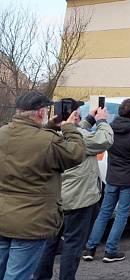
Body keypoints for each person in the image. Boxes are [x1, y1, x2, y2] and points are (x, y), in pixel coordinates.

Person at [0, 91, 85, 280]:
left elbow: (27, 140)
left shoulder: (3, 133)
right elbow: (76, 153)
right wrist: (69, 127)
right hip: (30, 223)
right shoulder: (48, 141)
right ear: (40, 112)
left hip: (3, 216)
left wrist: (48, 127)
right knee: (18, 275)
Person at [34, 106, 113, 280]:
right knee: (73, 244)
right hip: (78, 199)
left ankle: (40, 277)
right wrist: (101, 121)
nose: (78, 115)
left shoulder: (49, 136)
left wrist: (88, 121)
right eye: (75, 113)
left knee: (49, 243)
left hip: (55, 198)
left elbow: (75, 134)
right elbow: (103, 140)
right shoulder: (82, 138)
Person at [83, 99, 130, 264]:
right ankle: (110, 251)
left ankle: (90, 248)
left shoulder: (109, 129)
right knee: (121, 214)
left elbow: (125, 125)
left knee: (104, 213)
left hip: (112, 178)